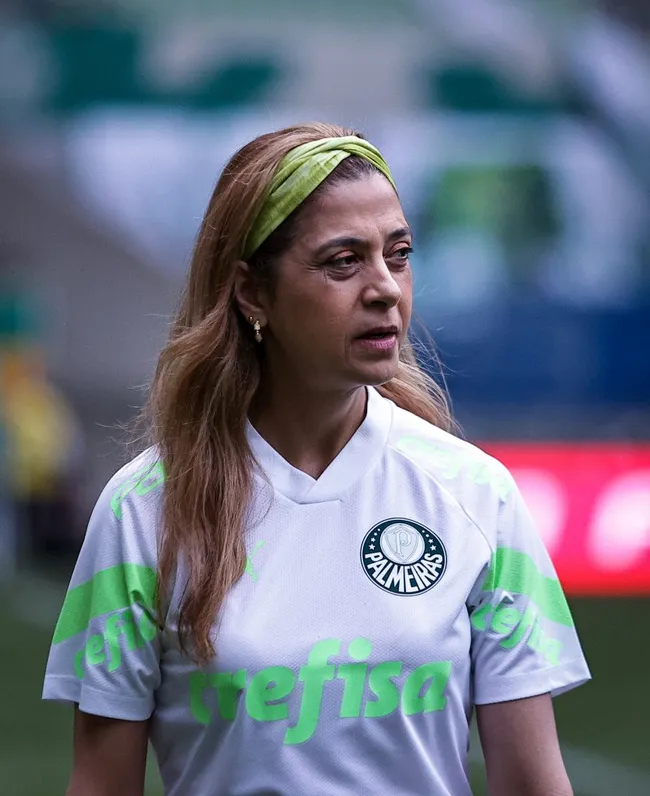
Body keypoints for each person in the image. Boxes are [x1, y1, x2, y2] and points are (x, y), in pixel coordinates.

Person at [43, 122, 590, 796]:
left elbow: (534, 785)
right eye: (343, 261)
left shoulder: (477, 495)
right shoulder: (143, 511)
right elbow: (100, 784)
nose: (386, 287)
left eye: (400, 253)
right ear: (251, 293)